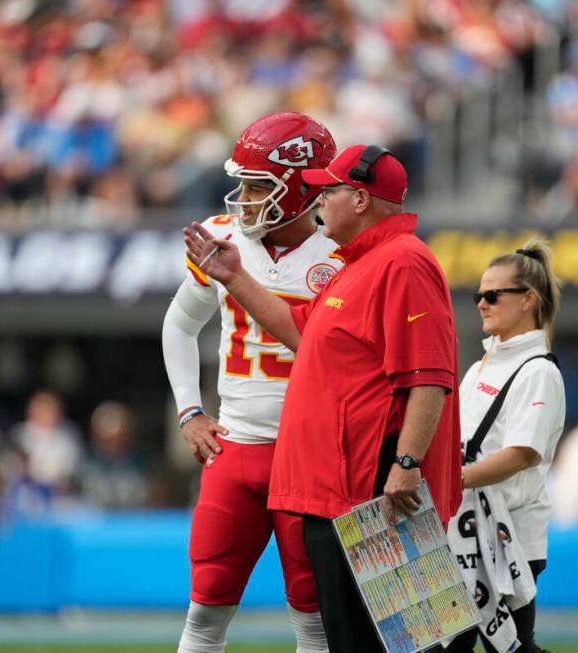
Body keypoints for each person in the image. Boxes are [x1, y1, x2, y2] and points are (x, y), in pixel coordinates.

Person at [184, 144, 460, 653]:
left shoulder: (403, 262)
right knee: (354, 639)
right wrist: (234, 277)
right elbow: (298, 330)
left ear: (359, 199)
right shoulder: (362, 263)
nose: (317, 200)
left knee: (410, 641)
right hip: (340, 488)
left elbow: (429, 376)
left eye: (328, 190)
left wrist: (407, 461)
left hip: (377, 487)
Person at [162, 112, 340, 653]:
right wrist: (190, 412)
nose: (243, 197)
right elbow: (179, 324)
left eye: (259, 185)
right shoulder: (222, 236)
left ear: (301, 190)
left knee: (313, 617)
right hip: (234, 449)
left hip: (309, 457)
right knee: (204, 609)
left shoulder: (341, 255)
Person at [448, 238, 565, 653]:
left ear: (528, 300)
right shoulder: (482, 363)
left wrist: (450, 481)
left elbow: (520, 454)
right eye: (479, 294)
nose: (481, 303)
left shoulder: (538, 372)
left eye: (493, 295)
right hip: (464, 532)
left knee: (514, 650)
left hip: (509, 535)